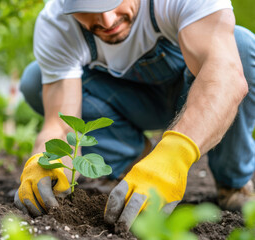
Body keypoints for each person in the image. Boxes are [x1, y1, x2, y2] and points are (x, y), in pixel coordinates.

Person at [14, 0, 255, 229]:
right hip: (135, 105)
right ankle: (133, 158)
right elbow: (60, 124)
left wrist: (174, 155)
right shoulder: (57, 21)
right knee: (36, 80)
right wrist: (46, 159)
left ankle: (232, 183)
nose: (107, 21)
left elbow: (226, 77)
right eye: (89, 9)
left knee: (239, 47)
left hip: (196, 94)